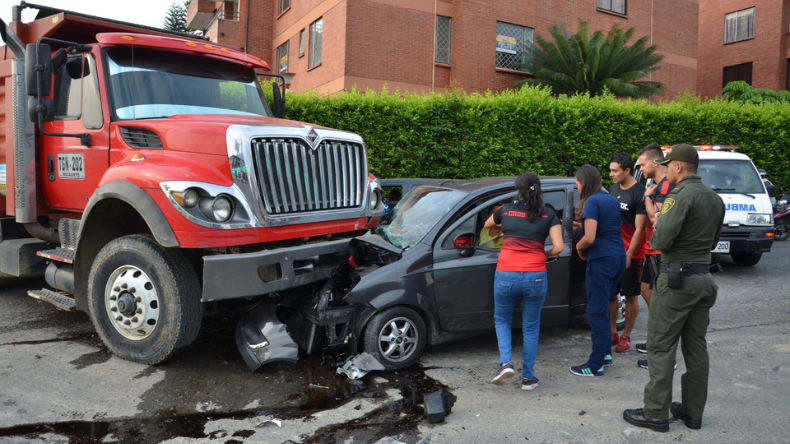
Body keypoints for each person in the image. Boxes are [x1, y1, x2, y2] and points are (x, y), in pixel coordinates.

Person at [623, 144, 725, 432]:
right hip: (704, 279)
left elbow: (661, 240)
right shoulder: (714, 198)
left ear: (679, 167)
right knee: (696, 347)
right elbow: (714, 239)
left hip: (677, 279)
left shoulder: (679, 197)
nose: (665, 170)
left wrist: (659, 232)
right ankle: (693, 412)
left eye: (668, 166)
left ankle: (655, 412)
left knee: (661, 345)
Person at [485, 172, 564, 390]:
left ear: (518, 191)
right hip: (535, 275)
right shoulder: (549, 214)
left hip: (506, 273)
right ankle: (528, 378)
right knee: (530, 327)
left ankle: (506, 364)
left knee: (502, 320)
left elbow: (486, 226)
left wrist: (503, 227)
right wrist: (541, 253)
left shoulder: (506, 210)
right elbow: (559, 247)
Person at [570, 164, 625, 377]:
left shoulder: (591, 201)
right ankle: (605, 355)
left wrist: (579, 247)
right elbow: (606, 227)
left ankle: (595, 365)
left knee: (596, 311)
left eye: (577, 183)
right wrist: (581, 227)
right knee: (605, 305)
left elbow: (590, 238)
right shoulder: (610, 199)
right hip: (618, 257)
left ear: (584, 182)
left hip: (601, 259)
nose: (577, 188)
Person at [634, 143, 675, 368]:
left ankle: (664, 354)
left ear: (654, 162)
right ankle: (656, 341)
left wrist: (647, 197)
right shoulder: (657, 185)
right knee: (646, 291)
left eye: (642, 164)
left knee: (661, 303)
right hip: (651, 251)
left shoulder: (665, 186)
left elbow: (656, 217)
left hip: (660, 253)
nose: (641, 169)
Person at [608, 153, 647, 353]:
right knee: (611, 295)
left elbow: (640, 229)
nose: (611, 174)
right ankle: (613, 332)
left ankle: (627, 336)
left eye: (615, 171)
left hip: (632, 254)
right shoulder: (613, 189)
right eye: (610, 170)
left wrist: (629, 255)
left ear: (627, 170)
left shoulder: (640, 193)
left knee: (631, 296)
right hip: (612, 252)